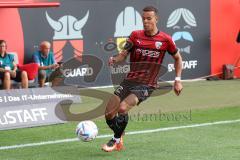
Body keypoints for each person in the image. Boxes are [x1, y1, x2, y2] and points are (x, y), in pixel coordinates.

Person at [102, 6, 183, 152]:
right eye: (143, 19)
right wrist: (115, 59)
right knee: (109, 112)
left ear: (156, 19)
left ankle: (115, 140)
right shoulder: (135, 35)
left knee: (122, 108)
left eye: (149, 18)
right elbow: (123, 54)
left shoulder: (166, 40)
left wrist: (178, 80)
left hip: (148, 84)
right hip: (129, 81)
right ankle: (120, 133)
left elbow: (178, 58)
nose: (145, 21)